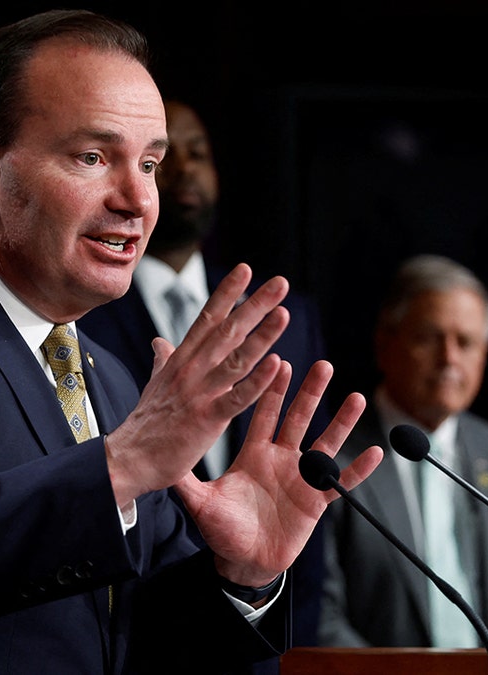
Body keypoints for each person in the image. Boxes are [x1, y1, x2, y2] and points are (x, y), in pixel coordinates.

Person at [0, 9, 381, 674]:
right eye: (92, 157)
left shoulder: (106, 376)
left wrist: (242, 577)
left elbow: (130, 643)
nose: (138, 198)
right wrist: (117, 468)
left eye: (149, 162)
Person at [78, 97, 330, 658]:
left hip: (254, 622)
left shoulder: (281, 314)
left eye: (200, 153)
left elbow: (301, 491)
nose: (186, 170)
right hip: (130, 631)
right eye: (160, 159)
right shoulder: (82, 315)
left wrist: (282, 639)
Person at [319, 253, 488, 649]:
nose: (450, 359)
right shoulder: (330, 459)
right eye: (429, 337)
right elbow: (320, 616)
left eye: (466, 342)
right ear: (384, 342)